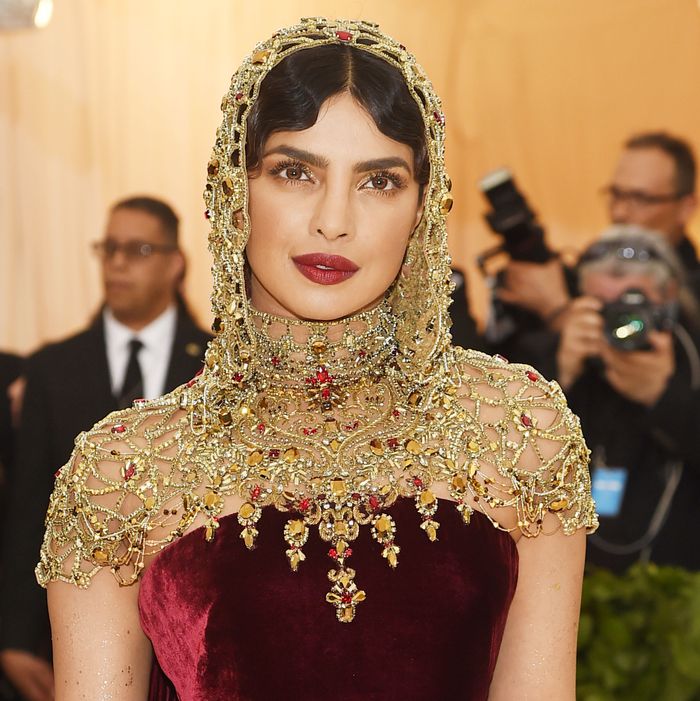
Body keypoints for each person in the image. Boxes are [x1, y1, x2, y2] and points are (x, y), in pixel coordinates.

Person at [35, 20, 596, 700]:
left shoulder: (519, 433)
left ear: (423, 206)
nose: (335, 219)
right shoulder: (125, 470)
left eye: (379, 180)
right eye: (295, 171)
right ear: (233, 190)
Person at [0, 196, 210, 701]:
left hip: (188, 639)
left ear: (174, 264)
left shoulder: (217, 368)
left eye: (137, 249)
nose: (117, 264)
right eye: (108, 249)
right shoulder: (52, 369)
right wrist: (12, 639)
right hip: (67, 641)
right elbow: (30, 508)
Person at [550, 226, 700, 572]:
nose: (621, 326)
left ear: (669, 301)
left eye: (633, 306)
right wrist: (559, 377)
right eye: (603, 308)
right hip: (577, 583)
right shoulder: (552, 357)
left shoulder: (693, 358)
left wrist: (664, 398)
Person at [493, 131, 699, 364]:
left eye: (640, 198)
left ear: (686, 207)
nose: (619, 212)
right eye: (616, 194)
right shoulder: (581, 273)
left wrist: (557, 311)